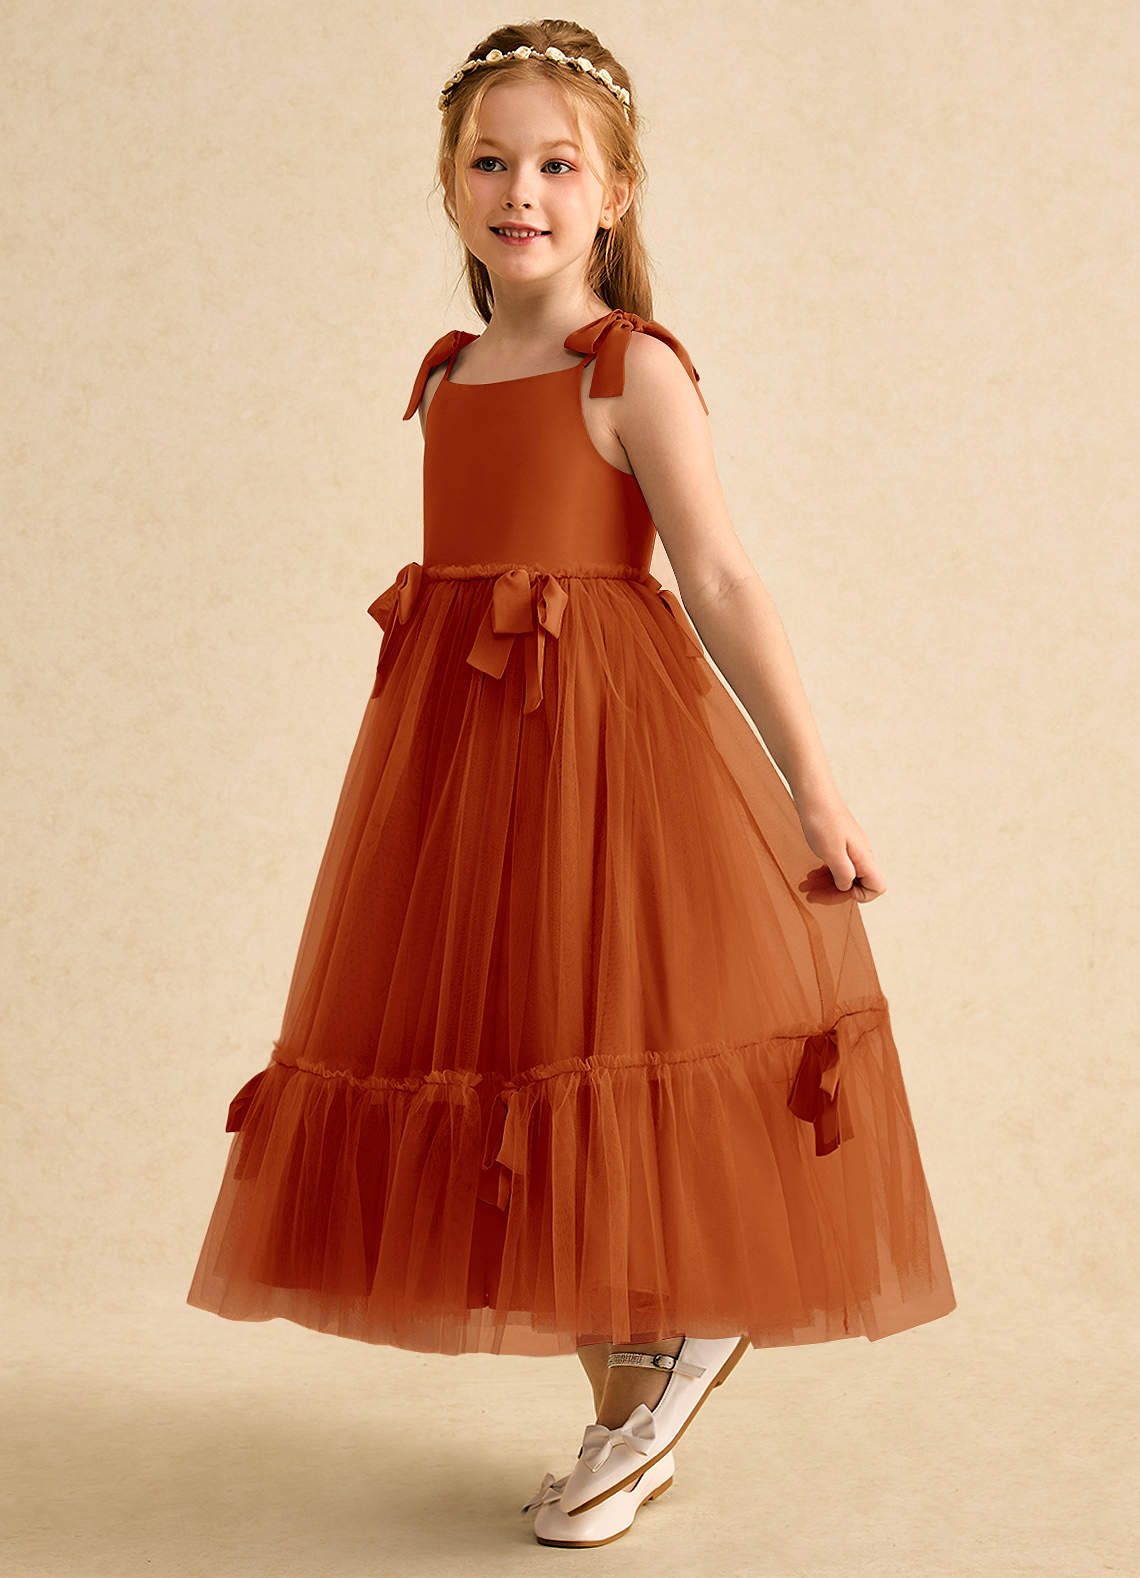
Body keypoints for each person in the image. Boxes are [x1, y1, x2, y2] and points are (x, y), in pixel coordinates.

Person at [186, 20, 957, 1547]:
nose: (520, 192)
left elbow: (720, 577)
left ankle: (674, 1353)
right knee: (518, 1049)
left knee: (612, 1040)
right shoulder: (450, 373)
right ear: (449, 185)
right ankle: (633, 1406)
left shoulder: (631, 367)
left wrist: (815, 784)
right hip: (461, 769)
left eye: (555, 165)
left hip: (610, 752)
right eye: (491, 163)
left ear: (615, 192)